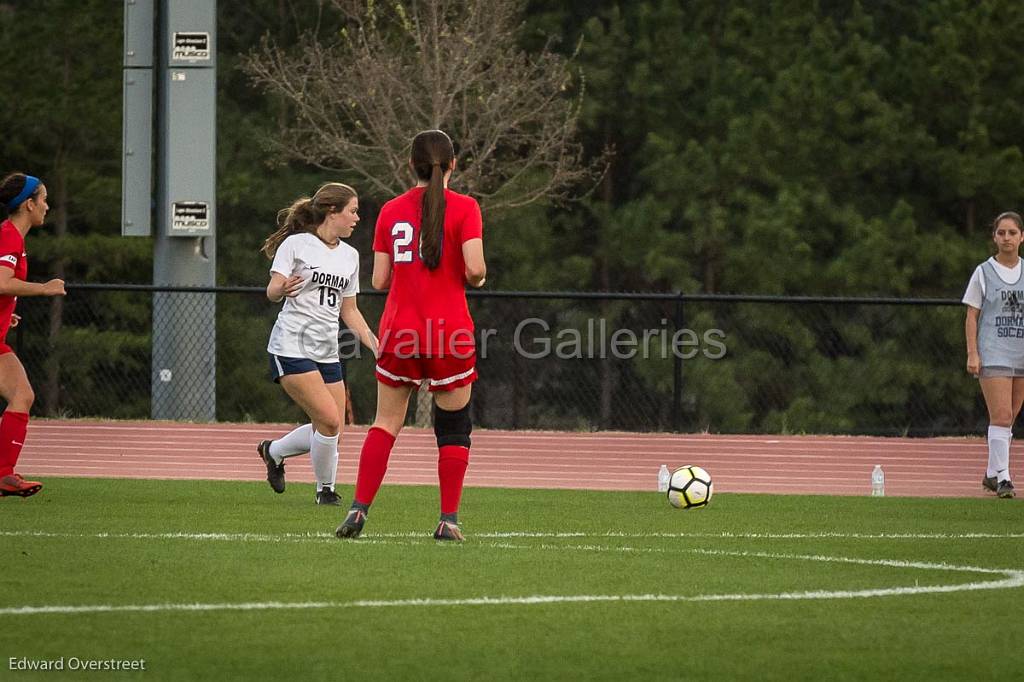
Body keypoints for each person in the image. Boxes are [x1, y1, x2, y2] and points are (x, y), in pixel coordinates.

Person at [335, 129, 486, 541]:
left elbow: (380, 280)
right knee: (454, 428)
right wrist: (477, 274)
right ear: (452, 164)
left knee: (385, 423)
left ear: (410, 165)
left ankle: (358, 510)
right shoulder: (466, 208)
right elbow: (474, 270)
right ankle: (447, 520)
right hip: (449, 333)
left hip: (400, 331)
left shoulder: (389, 210)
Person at [256, 183, 377, 505]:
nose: (357, 218)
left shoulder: (350, 256)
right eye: (352, 211)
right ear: (331, 212)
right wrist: (281, 289)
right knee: (329, 420)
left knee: (330, 429)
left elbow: (349, 310)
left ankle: (274, 451)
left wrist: (375, 345)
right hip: (291, 345)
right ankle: (325, 491)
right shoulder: (297, 245)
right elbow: (272, 290)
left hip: (327, 350)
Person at [0, 173, 66, 498]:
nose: (47, 206)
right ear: (29, 204)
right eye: (43, 199)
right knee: (21, 396)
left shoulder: (12, 236)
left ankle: (4, 475)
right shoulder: (10, 235)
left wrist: (4, 314)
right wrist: (43, 289)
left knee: (22, 395)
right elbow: (1, 281)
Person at [963, 210, 1024, 499]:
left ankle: (990, 473)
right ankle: (1004, 478)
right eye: (1002, 233)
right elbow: (972, 315)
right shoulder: (983, 272)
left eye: (1012, 232)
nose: (1007, 238)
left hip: (1020, 354)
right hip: (994, 351)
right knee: (999, 414)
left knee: (1009, 417)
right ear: (994, 237)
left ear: (1022, 237)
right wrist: (973, 352)